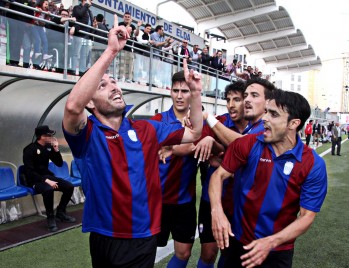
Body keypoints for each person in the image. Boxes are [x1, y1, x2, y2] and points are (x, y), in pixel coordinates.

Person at [62, 16, 203, 267]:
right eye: (103, 85)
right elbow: (73, 106)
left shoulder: (147, 128)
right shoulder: (88, 134)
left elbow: (194, 134)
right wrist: (111, 51)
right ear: (91, 103)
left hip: (141, 236)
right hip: (103, 236)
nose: (114, 86)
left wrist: (196, 94)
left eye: (114, 82)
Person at [209, 89, 327, 268]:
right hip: (237, 242)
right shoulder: (247, 144)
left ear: (293, 123)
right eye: (266, 111)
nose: (265, 118)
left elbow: (306, 217)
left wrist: (271, 242)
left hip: (277, 251)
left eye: (273, 114)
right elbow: (218, 176)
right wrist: (217, 212)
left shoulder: (313, 164)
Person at [151, 71, 202, 268]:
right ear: (170, 92)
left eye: (185, 91)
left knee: (184, 252)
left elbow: (197, 144)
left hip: (185, 202)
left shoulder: (199, 123)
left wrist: (172, 148)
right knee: (146, 251)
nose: (180, 96)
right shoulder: (158, 121)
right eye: (176, 90)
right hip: (157, 201)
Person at [197, 81, 250, 268]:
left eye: (237, 99)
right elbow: (194, 142)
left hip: (240, 205)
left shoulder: (258, 126)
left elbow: (245, 148)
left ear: (248, 101)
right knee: (208, 254)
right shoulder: (220, 120)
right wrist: (209, 142)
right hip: (211, 199)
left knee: (232, 256)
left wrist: (220, 152)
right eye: (228, 100)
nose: (231, 104)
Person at [23, 125, 76, 232]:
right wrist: (46, 181)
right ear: (41, 136)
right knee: (48, 189)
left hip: (48, 177)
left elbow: (59, 163)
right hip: (34, 180)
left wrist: (56, 149)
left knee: (69, 186)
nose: (51, 136)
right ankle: (50, 217)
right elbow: (29, 171)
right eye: (49, 135)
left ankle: (60, 212)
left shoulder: (48, 148)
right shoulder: (29, 149)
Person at [204, 78, 276, 147]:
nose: (247, 99)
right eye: (246, 95)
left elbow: (242, 144)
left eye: (254, 95)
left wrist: (209, 118)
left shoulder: (268, 126)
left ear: (268, 102)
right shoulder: (250, 126)